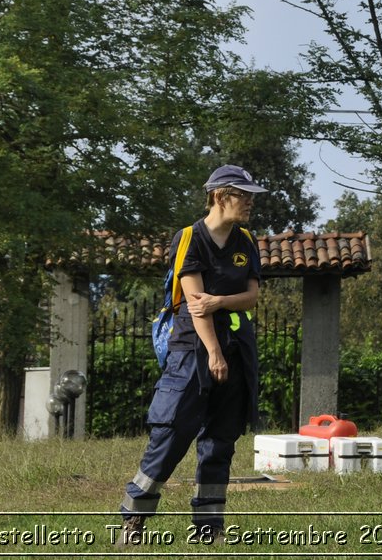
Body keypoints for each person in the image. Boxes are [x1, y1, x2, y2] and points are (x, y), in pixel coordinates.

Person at [120, 165, 263, 543]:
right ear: (219, 195)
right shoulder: (189, 238)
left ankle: (209, 530)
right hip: (192, 351)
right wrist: (214, 352)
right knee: (172, 434)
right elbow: (195, 305)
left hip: (238, 349)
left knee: (220, 440)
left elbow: (251, 296)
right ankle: (133, 521)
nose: (250, 201)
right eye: (243, 194)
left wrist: (220, 301)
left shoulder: (246, 240)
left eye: (251, 195)